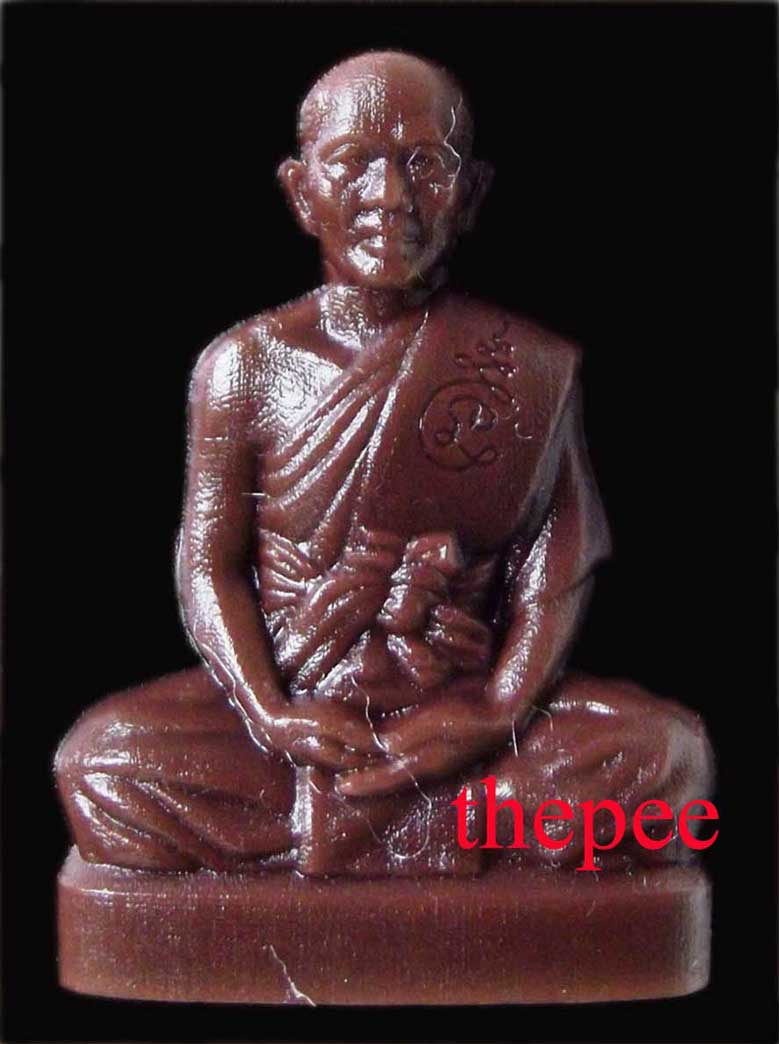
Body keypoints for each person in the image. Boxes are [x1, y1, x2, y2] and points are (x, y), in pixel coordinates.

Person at [56, 51, 713, 876]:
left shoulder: (524, 365)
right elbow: (208, 565)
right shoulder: (242, 366)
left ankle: (361, 820)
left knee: (667, 756)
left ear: (469, 192)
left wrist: (498, 706)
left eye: (424, 165)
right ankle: (442, 824)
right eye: (353, 163)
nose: (391, 196)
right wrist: (268, 710)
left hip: (458, 708)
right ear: (301, 191)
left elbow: (559, 562)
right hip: (304, 712)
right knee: (100, 762)